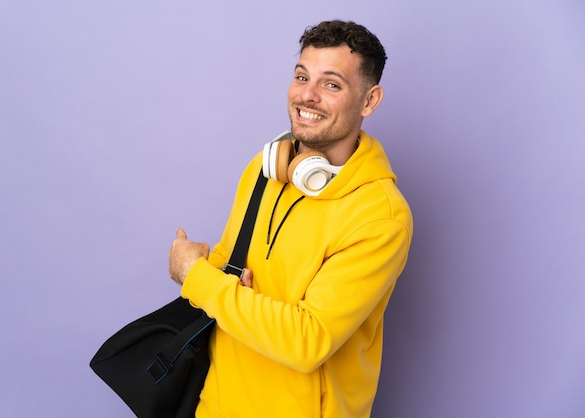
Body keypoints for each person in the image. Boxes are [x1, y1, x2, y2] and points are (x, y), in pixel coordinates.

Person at [169, 20, 413, 418]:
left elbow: (307, 341)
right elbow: (227, 264)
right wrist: (216, 279)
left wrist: (194, 275)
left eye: (331, 84)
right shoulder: (266, 170)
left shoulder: (380, 218)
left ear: (370, 101)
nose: (307, 95)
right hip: (216, 406)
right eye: (302, 76)